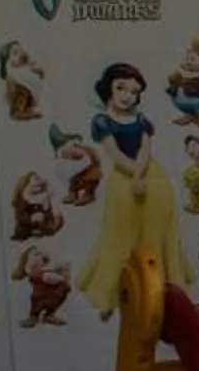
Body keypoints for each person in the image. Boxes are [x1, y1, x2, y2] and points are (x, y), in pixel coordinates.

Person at [73, 61, 191, 319]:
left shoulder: (142, 121)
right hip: (123, 182)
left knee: (156, 234)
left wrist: (140, 176)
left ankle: (161, 289)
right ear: (109, 89)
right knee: (120, 237)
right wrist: (134, 177)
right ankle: (112, 292)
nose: (127, 95)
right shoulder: (102, 121)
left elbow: (145, 151)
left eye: (133, 91)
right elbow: (114, 154)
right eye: (121, 88)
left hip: (152, 180)